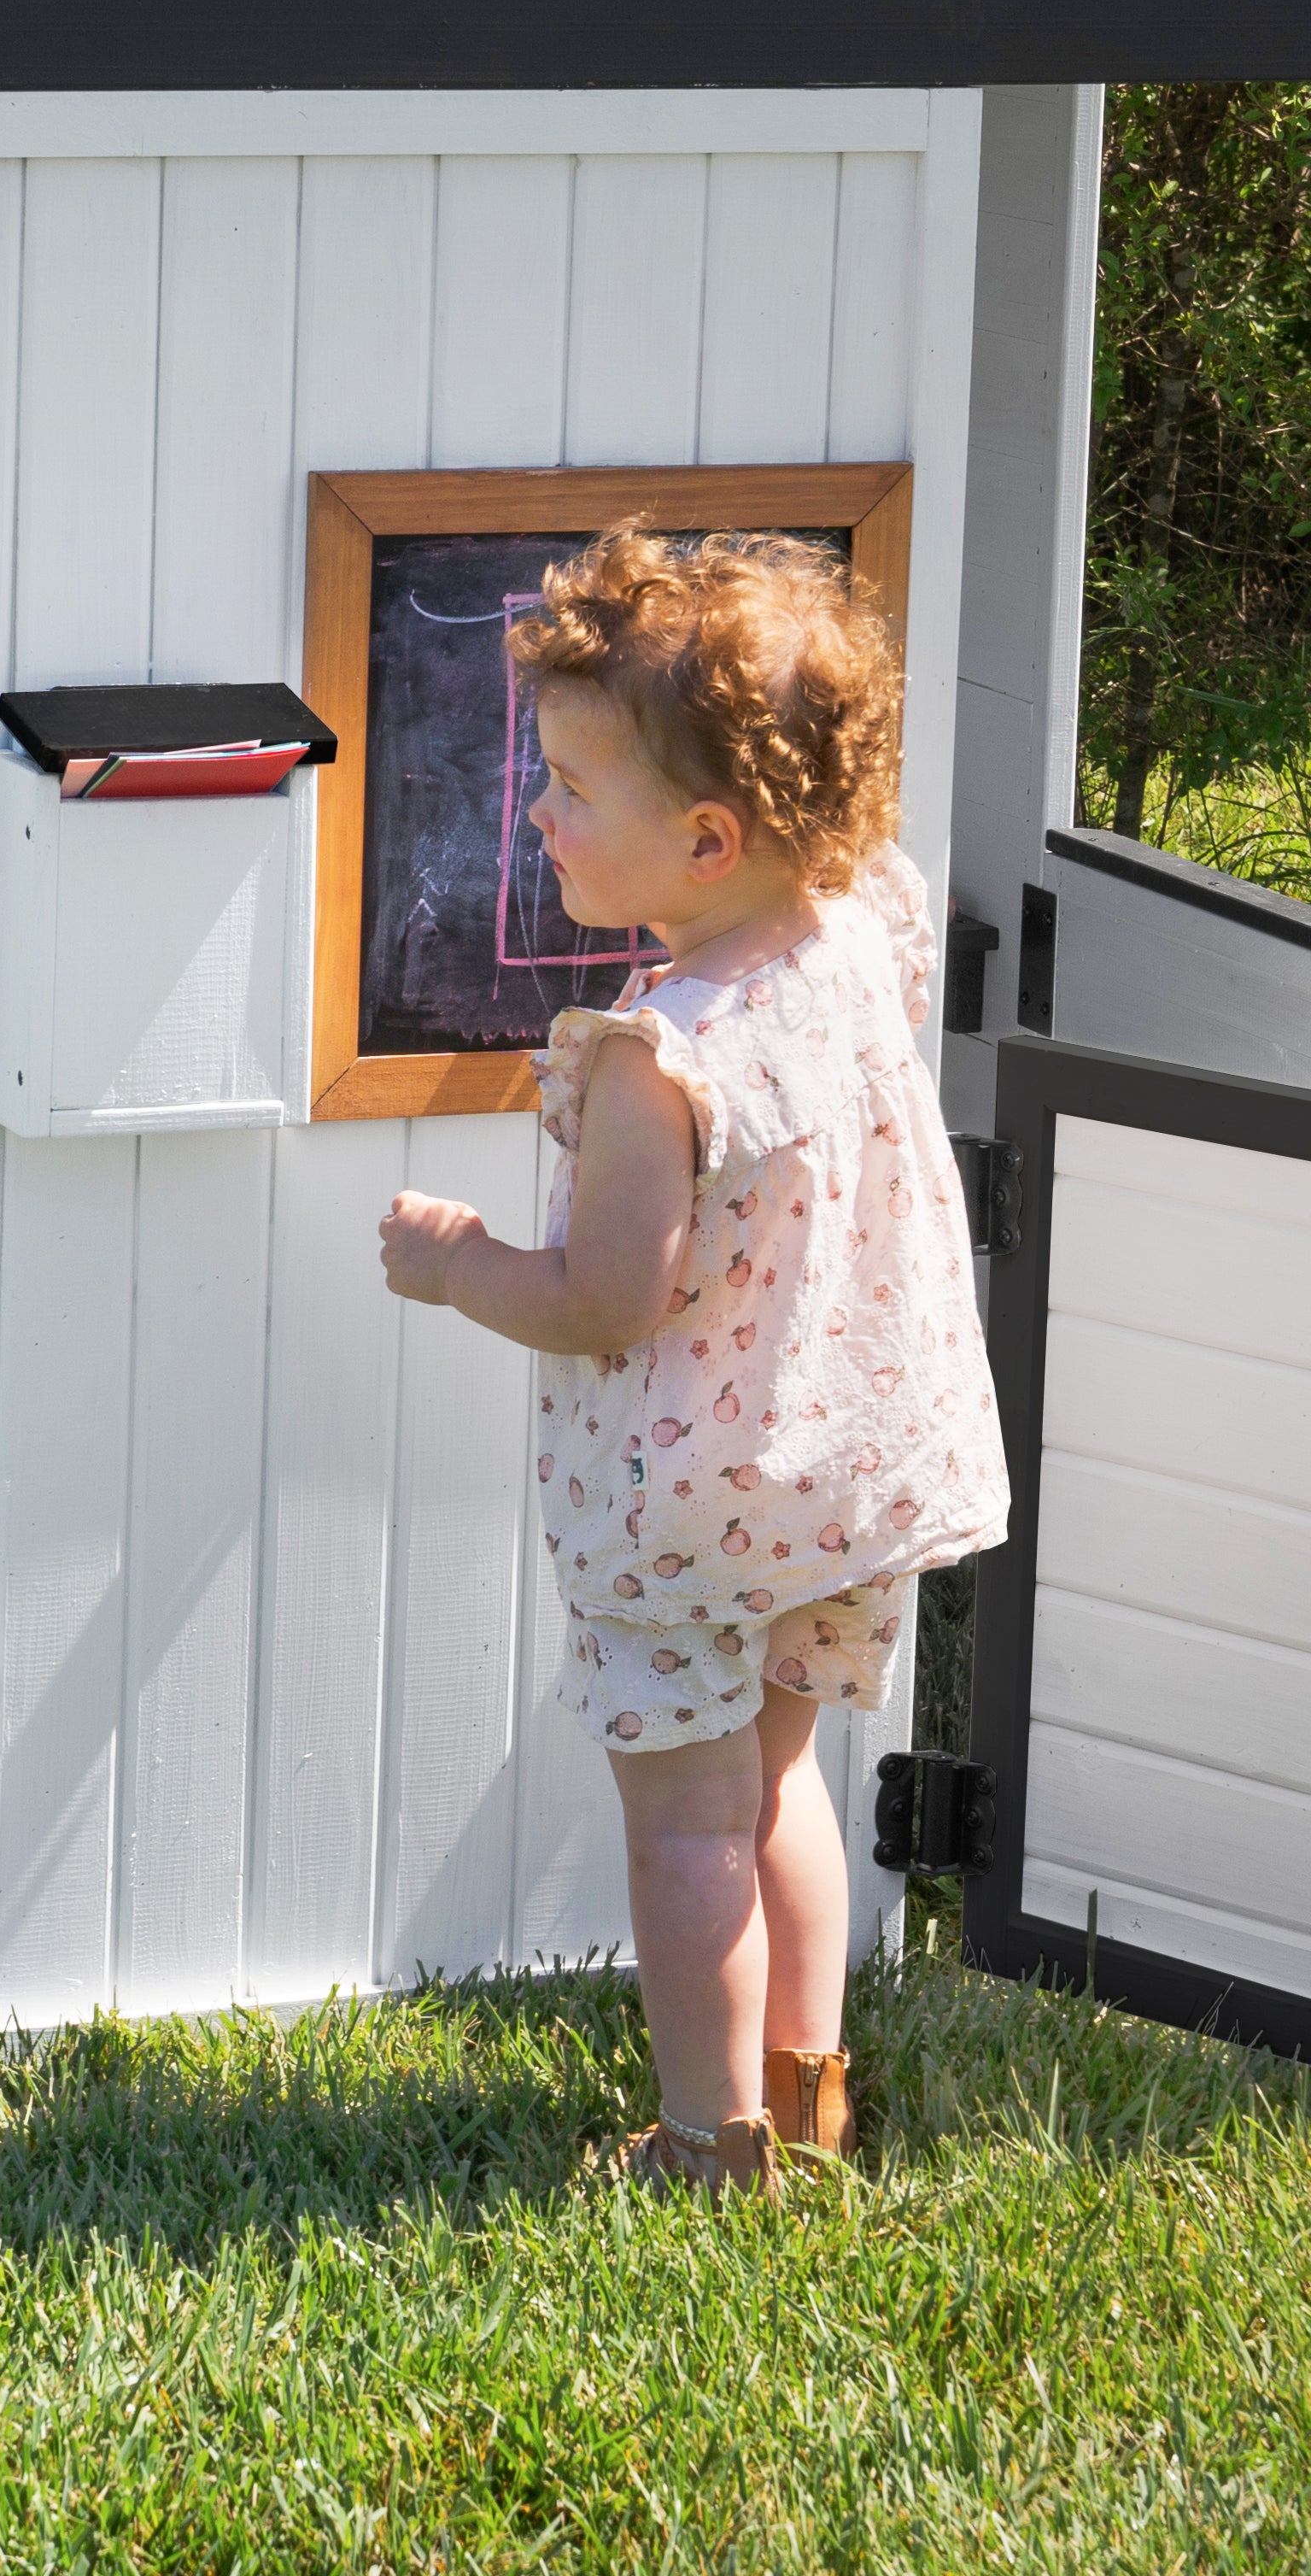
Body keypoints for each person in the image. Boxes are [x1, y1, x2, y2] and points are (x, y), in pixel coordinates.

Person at [377, 525, 1005, 2196]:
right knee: (778, 1784)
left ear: (704, 833)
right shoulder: (856, 932)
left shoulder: (660, 1058)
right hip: (841, 1468)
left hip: (685, 1507)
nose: (536, 813)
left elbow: (602, 1297)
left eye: (572, 787)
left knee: (681, 1819)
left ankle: (701, 2141)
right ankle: (806, 2110)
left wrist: (452, 1268)